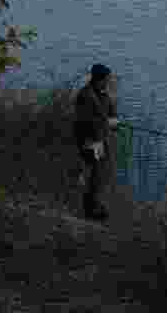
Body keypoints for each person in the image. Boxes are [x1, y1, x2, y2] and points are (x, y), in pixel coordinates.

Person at [74, 63, 120, 221]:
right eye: (107, 79)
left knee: (99, 174)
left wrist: (113, 121)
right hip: (89, 142)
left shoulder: (104, 94)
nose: (109, 82)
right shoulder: (85, 96)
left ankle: (94, 206)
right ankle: (91, 209)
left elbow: (112, 116)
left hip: (100, 142)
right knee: (95, 174)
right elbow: (84, 123)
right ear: (98, 79)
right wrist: (104, 123)